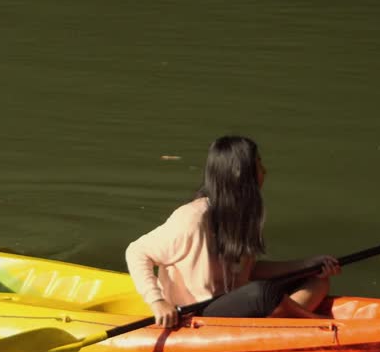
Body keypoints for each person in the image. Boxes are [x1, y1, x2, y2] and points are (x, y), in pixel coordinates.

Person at [125, 135, 340, 327]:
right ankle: (316, 325)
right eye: (258, 163)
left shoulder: (243, 217)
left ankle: (280, 322)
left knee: (316, 279)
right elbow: (136, 252)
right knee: (261, 293)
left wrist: (307, 265)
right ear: (240, 173)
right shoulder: (193, 218)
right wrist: (157, 301)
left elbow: (250, 271)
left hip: (235, 302)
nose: (264, 171)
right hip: (198, 314)